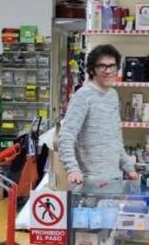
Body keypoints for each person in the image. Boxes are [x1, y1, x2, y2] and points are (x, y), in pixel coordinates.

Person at [58, 44, 137, 186]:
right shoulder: (83, 96)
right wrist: (72, 169)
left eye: (112, 66)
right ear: (93, 69)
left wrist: (128, 167)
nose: (108, 71)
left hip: (114, 177)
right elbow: (65, 136)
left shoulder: (113, 95)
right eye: (102, 66)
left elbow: (115, 137)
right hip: (89, 180)